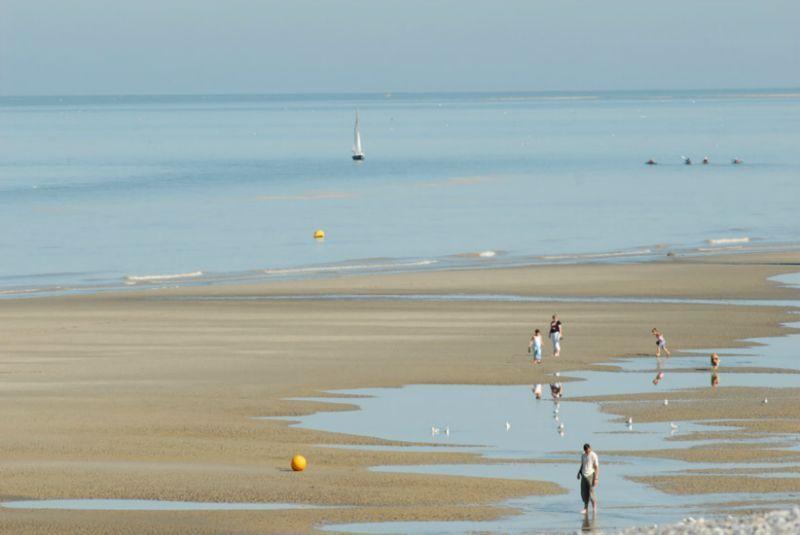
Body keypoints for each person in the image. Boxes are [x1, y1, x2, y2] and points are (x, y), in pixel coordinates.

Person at [577, 443, 599, 514]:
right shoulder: (583, 455)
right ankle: (585, 508)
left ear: (590, 448)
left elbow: (596, 468)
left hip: (591, 475)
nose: (587, 452)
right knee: (584, 492)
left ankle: (594, 508)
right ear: (584, 450)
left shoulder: (593, 455)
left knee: (591, 492)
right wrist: (579, 473)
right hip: (584, 475)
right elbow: (582, 465)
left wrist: (596, 478)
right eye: (586, 451)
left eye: (588, 450)